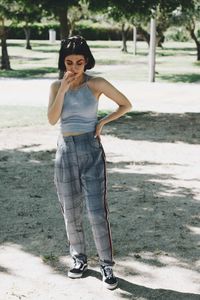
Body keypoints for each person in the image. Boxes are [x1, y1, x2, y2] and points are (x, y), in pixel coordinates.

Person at [47, 35, 132, 290]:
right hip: (65, 150)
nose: (74, 67)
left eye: (79, 62)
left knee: (96, 211)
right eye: (69, 62)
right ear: (63, 63)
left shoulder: (97, 84)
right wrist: (62, 88)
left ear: (87, 63)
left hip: (90, 149)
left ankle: (107, 264)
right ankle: (79, 259)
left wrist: (103, 121)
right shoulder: (55, 86)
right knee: (70, 209)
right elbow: (52, 120)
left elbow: (125, 104)